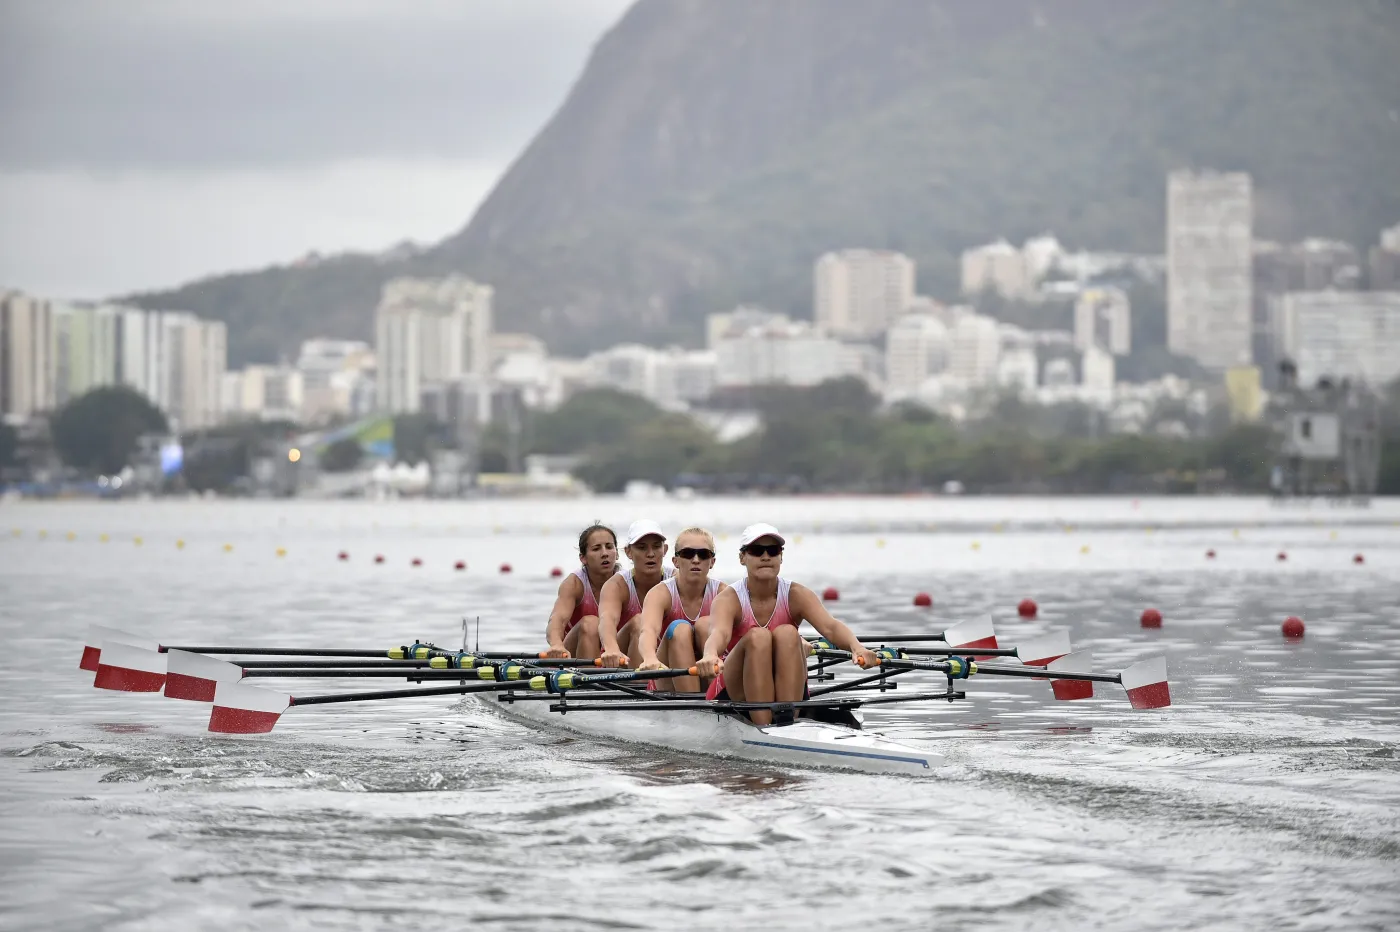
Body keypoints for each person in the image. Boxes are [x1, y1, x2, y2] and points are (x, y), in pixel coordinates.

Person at [695, 523, 878, 727]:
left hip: (783, 688)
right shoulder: (729, 599)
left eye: (773, 551)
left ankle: (787, 723)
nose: (766, 556)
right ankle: (765, 727)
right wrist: (710, 654)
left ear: (781, 557)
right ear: (742, 558)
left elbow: (831, 627)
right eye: (757, 551)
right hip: (733, 691)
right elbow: (719, 634)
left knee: (788, 633)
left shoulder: (796, 595)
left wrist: (857, 647)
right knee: (758, 636)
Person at [636, 527, 728, 694]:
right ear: (675, 561)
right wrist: (649, 657)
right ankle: (692, 703)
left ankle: (715, 696)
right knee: (679, 628)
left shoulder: (724, 594)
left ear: (712, 562)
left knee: (705, 624)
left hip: (710, 673)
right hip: (667, 678)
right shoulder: (660, 593)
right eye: (687, 553)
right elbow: (648, 630)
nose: (695, 560)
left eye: (703, 554)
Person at [598, 519, 673, 669]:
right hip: (622, 659)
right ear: (628, 552)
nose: (650, 554)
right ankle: (640, 684)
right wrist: (611, 648)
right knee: (640, 622)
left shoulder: (676, 580)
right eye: (642, 547)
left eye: (656, 547)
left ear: (664, 550)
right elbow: (607, 620)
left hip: (663, 656)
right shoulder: (616, 585)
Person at [542, 523, 620, 660]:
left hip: (615, 652)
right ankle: (589, 678)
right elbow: (557, 620)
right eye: (596, 549)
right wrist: (556, 644)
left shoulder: (627, 582)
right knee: (591, 623)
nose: (605, 554)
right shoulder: (574, 584)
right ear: (583, 558)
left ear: (617, 553)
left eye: (609, 547)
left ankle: (640, 679)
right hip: (573, 654)